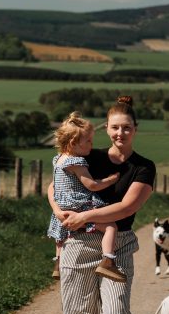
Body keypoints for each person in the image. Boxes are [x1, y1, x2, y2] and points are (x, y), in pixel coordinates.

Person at [48, 96, 155, 314]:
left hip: (117, 243)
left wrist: (85, 216)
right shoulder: (86, 155)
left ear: (135, 129)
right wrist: (59, 211)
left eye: (126, 128)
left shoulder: (143, 167)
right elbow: (54, 184)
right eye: (114, 128)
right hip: (78, 242)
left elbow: (128, 207)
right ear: (106, 129)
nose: (120, 133)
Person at [47, 111, 125, 283]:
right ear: (74, 143)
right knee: (111, 226)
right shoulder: (77, 162)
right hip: (79, 206)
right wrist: (110, 180)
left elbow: (52, 186)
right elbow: (92, 185)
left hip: (62, 206)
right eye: (88, 141)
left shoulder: (58, 159)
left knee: (61, 237)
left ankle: (58, 263)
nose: (91, 145)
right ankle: (108, 260)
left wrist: (56, 208)